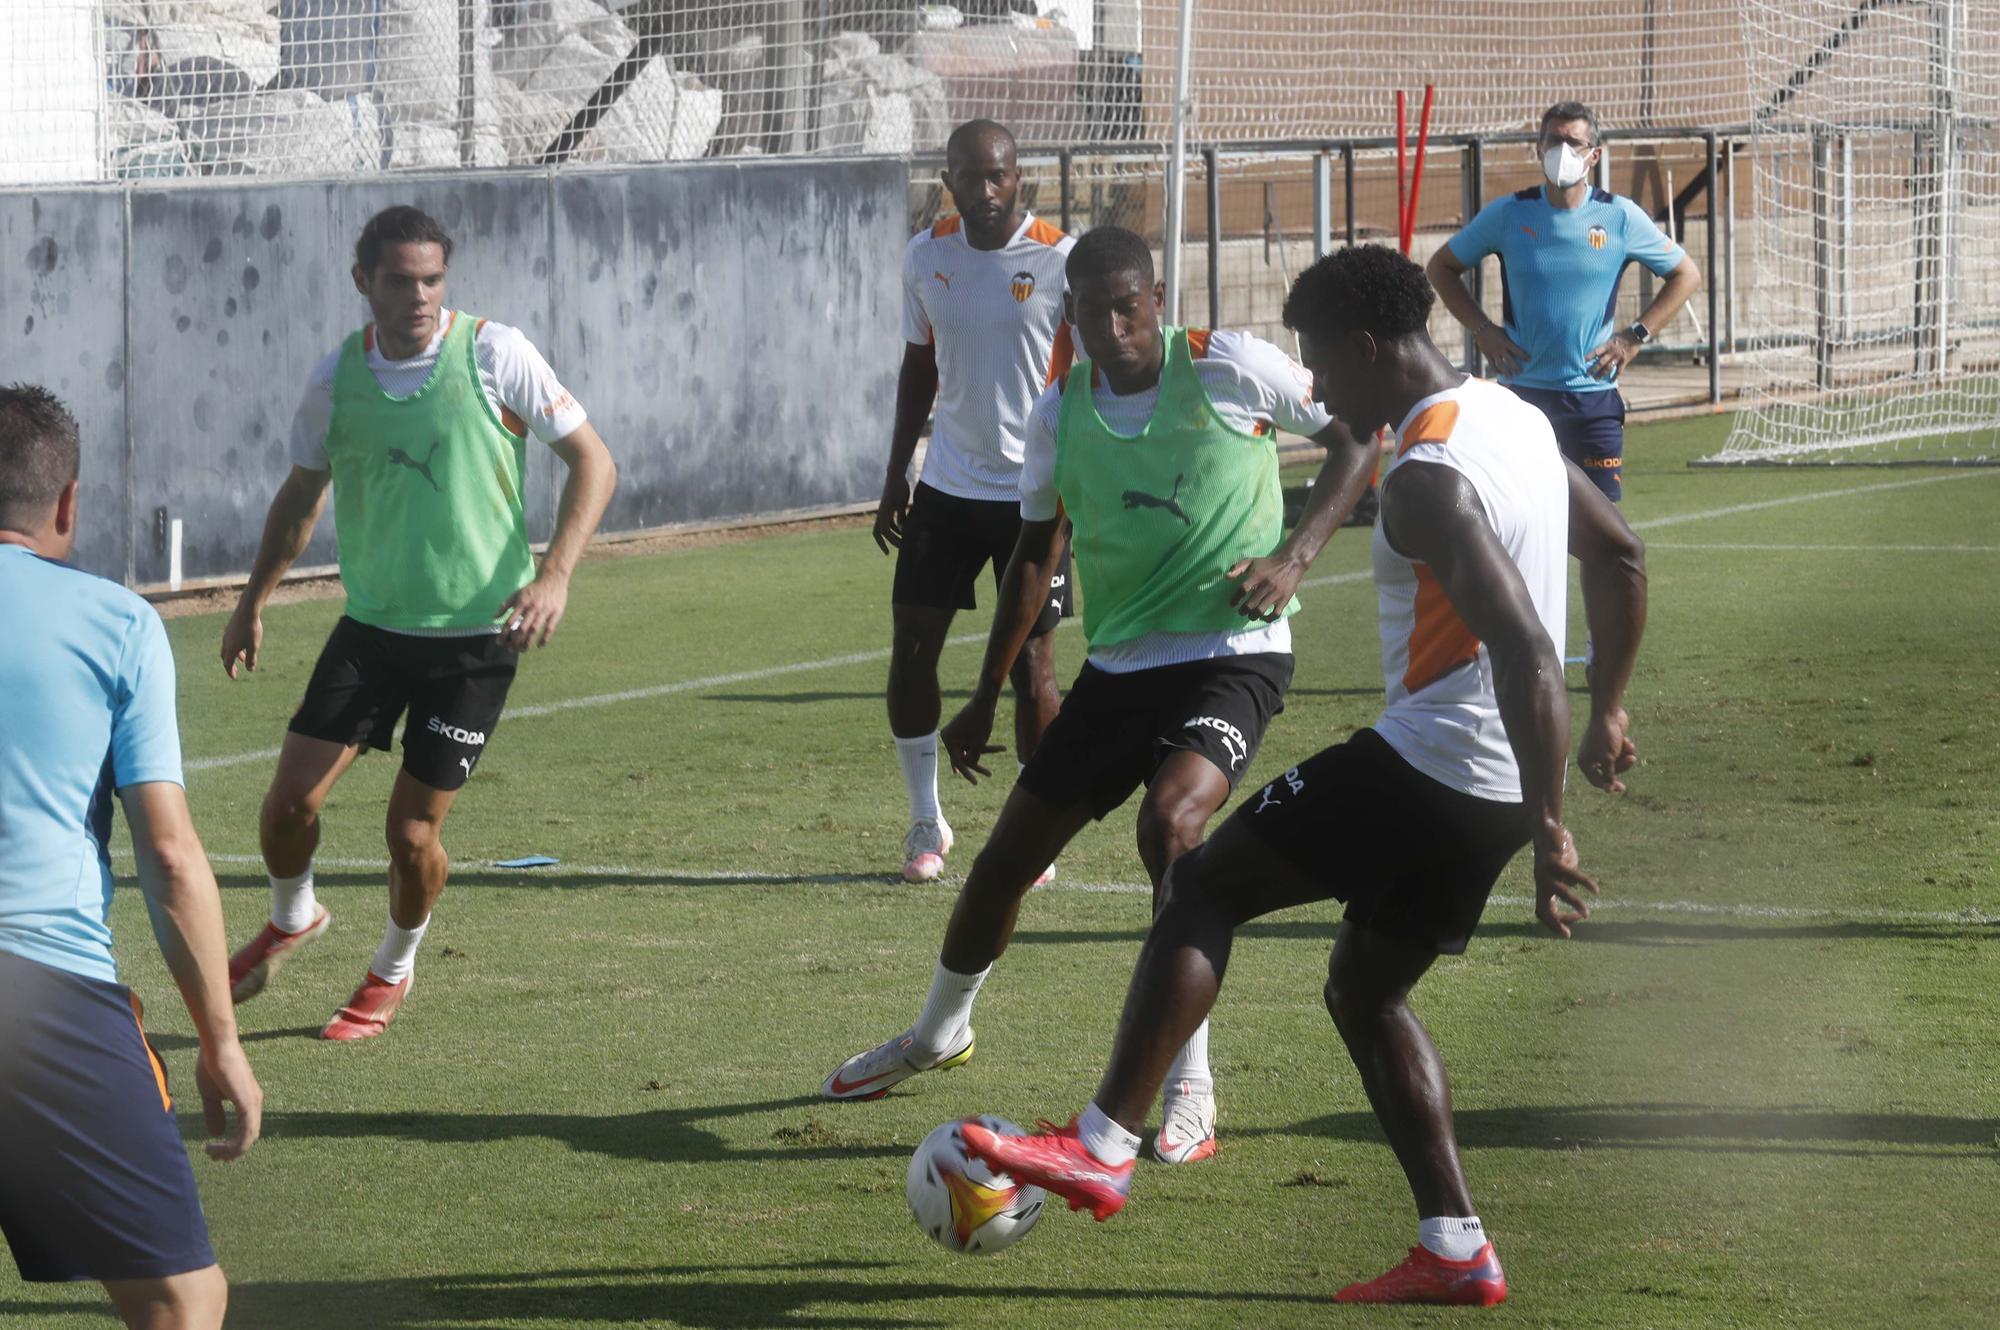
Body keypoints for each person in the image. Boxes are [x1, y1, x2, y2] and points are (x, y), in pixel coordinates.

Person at [960, 244, 1648, 1306]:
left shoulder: (1421, 475)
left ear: (1369, 347)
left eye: (1320, 360)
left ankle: (1102, 1143)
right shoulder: (1510, 415)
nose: (1315, 386)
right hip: (1498, 784)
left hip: (1439, 762)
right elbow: (1618, 555)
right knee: (1364, 989)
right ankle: (1455, 1243)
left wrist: (1556, 823)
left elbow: (1517, 644)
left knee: (1198, 886)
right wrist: (1601, 714)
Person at [824, 226, 1376, 1168]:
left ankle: (1189, 1085)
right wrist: (985, 690)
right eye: (1091, 310)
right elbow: (1037, 557)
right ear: (1067, 314)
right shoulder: (1057, 415)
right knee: (1005, 861)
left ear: (1156, 299)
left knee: (1172, 828)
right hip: (1119, 669)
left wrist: (1296, 556)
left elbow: (1357, 440)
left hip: (1234, 651)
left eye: (1129, 306)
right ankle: (936, 1033)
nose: (1113, 326)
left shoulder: (1227, 367)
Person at [219, 205, 617, 1040]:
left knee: (409, 833)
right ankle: (295, 917)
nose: (420, 295)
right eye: (401, 279)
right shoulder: (335, 379)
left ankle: (391, 971)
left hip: (477, 641)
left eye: (433, 278)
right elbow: (300, 497)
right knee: (287, 805)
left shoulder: (495, 353)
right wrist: (252, 600)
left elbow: (594, 461)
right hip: (371, 631)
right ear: (364, 281)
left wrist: (555, 577)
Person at [0, 384, 262, 1330]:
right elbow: (169, 851)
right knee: (181, 1303)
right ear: (68, 503)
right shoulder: (115, 622)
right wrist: (221, 1040)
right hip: (36, 995)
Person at [877, 118, 1075, 883]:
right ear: (949, 179)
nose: (986, 191)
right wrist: (898, 471)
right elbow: (918, 367)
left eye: (999, 175)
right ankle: (926, 822)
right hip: (948, 488)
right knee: (911, 655)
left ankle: (1031, 830)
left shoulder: (1059, 258)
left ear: (1018, 176)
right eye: (970, 176)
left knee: (1033, 669)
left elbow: (1086, 380)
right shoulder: (927, 256)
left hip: (1037, 497)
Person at [1427, 100, 1701, 504]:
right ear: (1537, 148)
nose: (1561, 152)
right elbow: (1441, 267)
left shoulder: (1619, 215)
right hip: (1523, 398)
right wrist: (1483, 331)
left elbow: (1686, 275)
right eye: (1552, 141)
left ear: (1594, 155)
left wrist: (1635, 336)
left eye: (1573, 143)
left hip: (1593, 400)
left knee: (1600, 535)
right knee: (1520, 519)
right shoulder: (1509, 213)